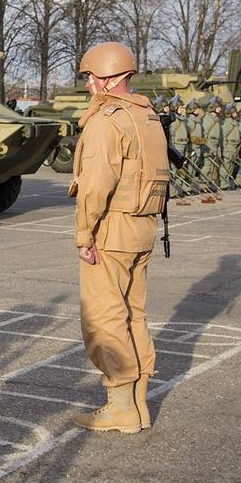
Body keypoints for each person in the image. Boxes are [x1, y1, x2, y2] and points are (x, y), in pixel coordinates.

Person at [69, 41, 169, 434]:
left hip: (110, 229)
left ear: (108, 77)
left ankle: (121, 407)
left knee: (103, 318)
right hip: (142, 226)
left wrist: (84, 235)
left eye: (91, 76)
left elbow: (95, 185)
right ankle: (139, 404)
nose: (89, 84)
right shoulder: (146, 116)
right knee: (134, 314)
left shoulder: (107, 120)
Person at [220, 103, 241, 190]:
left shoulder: (235, 122)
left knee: (231, 166)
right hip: (228, 146)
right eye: (234, 112)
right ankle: (223, 184)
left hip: (234, 146)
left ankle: (228, 182)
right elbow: (223, 137)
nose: (236, 113)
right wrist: (224, 149)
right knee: (225, 166)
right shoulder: (227, 123)